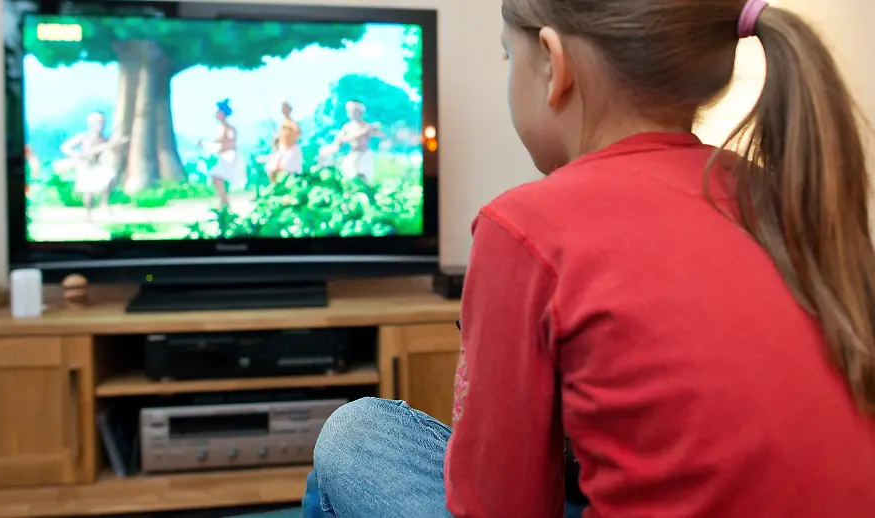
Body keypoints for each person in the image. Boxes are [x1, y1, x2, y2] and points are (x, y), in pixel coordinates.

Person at [307, 0, 875, 517]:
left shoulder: (524, 226)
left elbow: (500, 506)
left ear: (553, 64)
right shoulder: (779, 196)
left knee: (357, 433)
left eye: (508, 55)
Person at [58, 111, 127, 220]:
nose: (100, 125)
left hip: (96, 165)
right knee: (88, 191)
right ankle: (88, 215)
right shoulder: (83, 136)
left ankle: (104, 202)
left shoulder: (104, 139)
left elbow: (112, 150)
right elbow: (65, 147)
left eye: (102, 122)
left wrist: (115, 145)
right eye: (97, 122)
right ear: (90, 124)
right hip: (84, 166)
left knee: (111, 175)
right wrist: (76, 154)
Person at [319, 101, 384, 182]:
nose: (350, 113)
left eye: (353, 111)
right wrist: (363, 132)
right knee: (349, 174)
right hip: (353, 153)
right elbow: (340, 140)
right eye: (349, 111)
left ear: (359, 112)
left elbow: (381, 135)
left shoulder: (366, 125)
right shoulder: (348, 126)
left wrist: (376, 129)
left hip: (364, 154)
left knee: (364, 177)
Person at [199, 99, 245, 209]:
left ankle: (224, 202)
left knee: (217, 177)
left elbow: (229, 143)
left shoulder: (229, 129)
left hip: (230, 158)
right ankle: (224, 202)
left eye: (218, 112)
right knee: (217, 178)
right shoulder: (221, 128)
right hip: (224, 157)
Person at [264, 101, 303, 184]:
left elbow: (299, 133)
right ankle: (276, 185)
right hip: (282, 149)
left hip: (291, 149)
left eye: (286, 108)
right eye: (283, 109)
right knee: (271, 169)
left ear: (289, 110)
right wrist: (276, 141)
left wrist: (290, 129)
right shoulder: (282, 124)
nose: (284, 110)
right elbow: (278, 139)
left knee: (289, 169)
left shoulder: (293, 123)